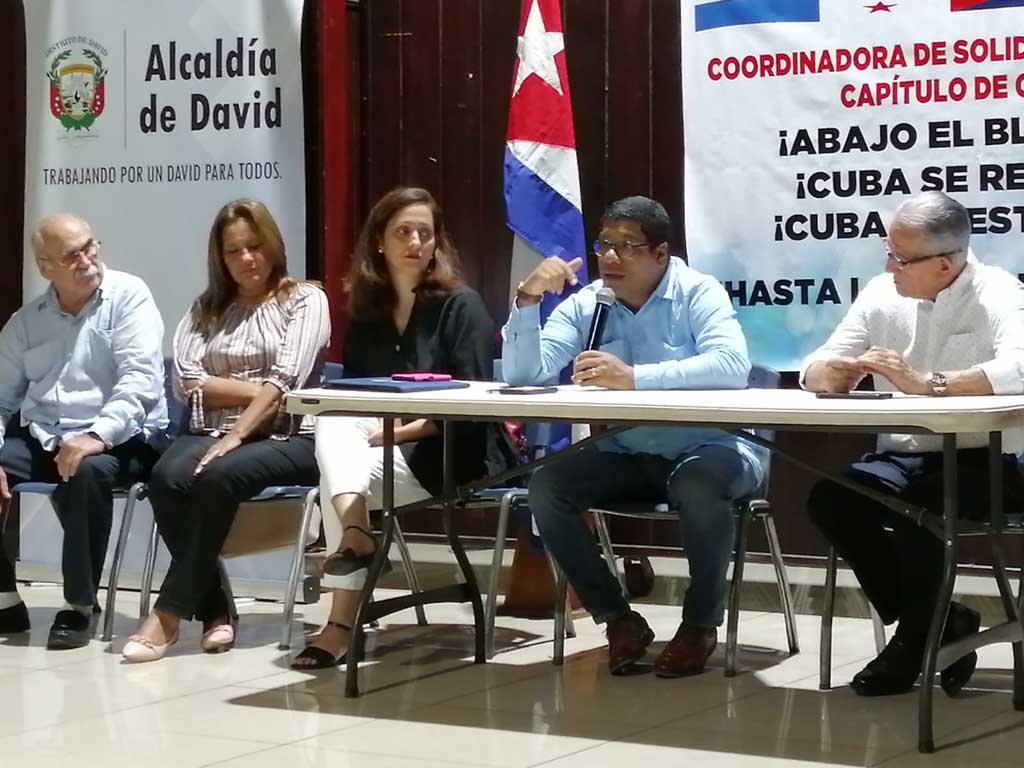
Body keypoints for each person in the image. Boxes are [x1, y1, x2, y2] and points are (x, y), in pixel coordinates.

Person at [502, 195, 765, 677]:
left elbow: (731, 365)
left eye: (627, 246)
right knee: (547, 486)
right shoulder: (590, 302)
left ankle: (700, 624)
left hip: (715, 448)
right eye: (604, 244)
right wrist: (528, 300)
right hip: (631, 450)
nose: (610, 257)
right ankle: (618, 619)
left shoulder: (698, 292)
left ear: (660, 254)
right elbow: (524, 375)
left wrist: (635, 377)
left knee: (698, 484)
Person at [802, 191, 1024, 697]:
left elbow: (1020, 366)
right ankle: (943, 620)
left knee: (915, 512)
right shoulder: (882, 292)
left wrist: (929, 384)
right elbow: (817, 363)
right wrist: (830, 374)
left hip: (986, 460)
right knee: (831, 500)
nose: (888, 266)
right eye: (888, 252)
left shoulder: (998, 291)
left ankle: (912, 643)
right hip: (901, 456)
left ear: (944, 264)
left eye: (900, 258)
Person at [291, 187, 509, 669]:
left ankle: (341, 617)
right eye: (403, 232)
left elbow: (471, 407)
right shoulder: (368, 314)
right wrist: (381, 435)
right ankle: (356, 536)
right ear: (379, 241)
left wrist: (396, 434)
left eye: (425, 234)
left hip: (456, 453)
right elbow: (355, 399)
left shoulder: (462, 306)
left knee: (336, 479)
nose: (415, 242)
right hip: (381, 446)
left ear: (437, 244)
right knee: (334, 419)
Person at [122, 199, 329, 663]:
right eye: (233, 251)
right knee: (166, 477)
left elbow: (287, 380)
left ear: (273, 245)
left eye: (254, 246)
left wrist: (236, 422)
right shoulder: (206, 308)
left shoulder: (305, 299)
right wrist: (257, 391)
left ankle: (167, 616)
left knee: (218, 475)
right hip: (209, 430)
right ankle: (215, 609)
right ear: (220, 258)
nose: (246, 259)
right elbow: (187, 382)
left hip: (290, 436)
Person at [0, 213, 166, 649]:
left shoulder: (129, 297)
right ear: (45, 268)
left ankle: (79, 604)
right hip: (49, 436)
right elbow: (0, 399)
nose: (87, 260)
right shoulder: (26, 322)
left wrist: (96, 436)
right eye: (72, 255)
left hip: (124, 437)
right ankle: (4, 599)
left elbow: (141, 382)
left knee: (87, 471)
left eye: (90, 246)